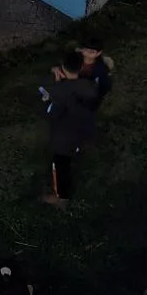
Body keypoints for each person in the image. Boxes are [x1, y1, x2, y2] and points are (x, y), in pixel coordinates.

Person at [42, 50, 98, 207]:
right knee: (71, 156)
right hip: (83, 131)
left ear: (62, 68)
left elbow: (52, 113)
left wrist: (51, 97)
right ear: (81, 68)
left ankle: (61, 196)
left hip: (63, 138)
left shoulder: (57, 91)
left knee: (60, 165)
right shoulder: (90, 86)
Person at [79, 37, 113, 111]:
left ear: (98, 53)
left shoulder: (101, 70)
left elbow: (105, 87)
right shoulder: (76, 59)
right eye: (85, 50)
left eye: (91, 52)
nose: (87, 54)